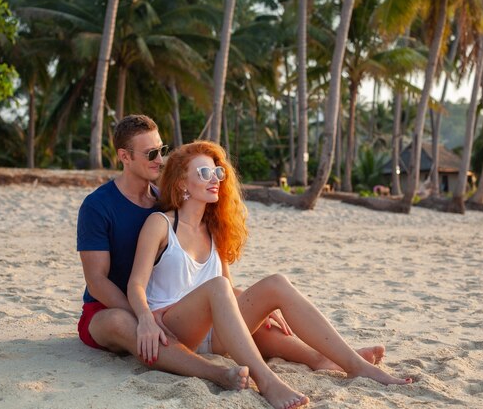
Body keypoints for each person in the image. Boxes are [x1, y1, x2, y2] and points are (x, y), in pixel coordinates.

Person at [127, 141, 412, 409]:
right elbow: (136, 284)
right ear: (181, 182)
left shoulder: (213, 231)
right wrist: (144, 320)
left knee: (276, 283)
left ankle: (355, 365)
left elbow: (226, 289)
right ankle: (267, 381)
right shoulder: (160, 224)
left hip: (215, 333)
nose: (215, 178)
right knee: (218, 287)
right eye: (204, 172)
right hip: (173, 329)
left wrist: (260, 306)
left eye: (218, 171)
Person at [76, 115, 248, 390]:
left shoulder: (163, 202)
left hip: (158, 306)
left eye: (162, 150)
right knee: (123, 323)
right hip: (106, 309)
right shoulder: (97, 206)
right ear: (125, 156)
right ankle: (215, 374)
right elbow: (97, 281)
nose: (160, 159)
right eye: (151, 153)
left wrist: (244, 297)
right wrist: (142, 315)